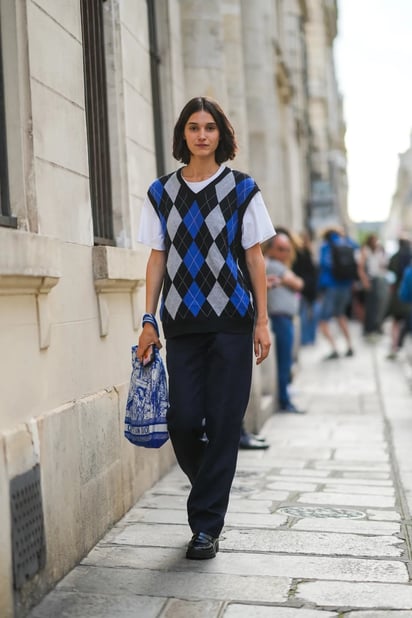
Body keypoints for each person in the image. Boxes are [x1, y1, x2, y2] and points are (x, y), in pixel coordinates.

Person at [136, 96, 275, 560]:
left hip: (233, 321)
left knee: (222, 422)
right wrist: (148, 320)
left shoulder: (243, 189)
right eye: (193, 127)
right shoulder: (161, 193)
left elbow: (255, 258)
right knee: (181, 420)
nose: (201, 135)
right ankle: (211, 491)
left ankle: (205, 528)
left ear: (221, 135)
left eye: (209, 127)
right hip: (181, 324)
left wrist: (262, 319)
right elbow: (157, 259)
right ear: (183, 135)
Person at [264, 233, 305, 413]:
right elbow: (298, 283)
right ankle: (284, 400)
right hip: (280, 318)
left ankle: (285, 396)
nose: (285, 253)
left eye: (287, 250)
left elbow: (298, 282)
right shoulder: (271, 265)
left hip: (286, 318)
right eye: (281, 249)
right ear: (271, 249)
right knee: (284, 362)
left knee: (286, 360)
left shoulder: (279, 265)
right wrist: (290, 280)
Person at [317, 226, 358, 359]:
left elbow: (323, 264)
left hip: (330, 286)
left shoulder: (325, 246)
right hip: (345, 285)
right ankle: (350, 346)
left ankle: (334, 348)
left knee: (323, 320)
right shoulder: (348, 243)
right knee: (341, 315)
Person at [357, 234, 389, 338]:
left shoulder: (378, 251)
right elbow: (361, 268)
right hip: (370, 280)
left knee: (378, 305)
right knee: (370, 306)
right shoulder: (365, 251)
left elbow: (382, 265)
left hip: (378, 279)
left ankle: (376, 326)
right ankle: (368, 329)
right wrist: (365, 281)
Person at [386, 235, 412, 359]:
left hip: (399, 293)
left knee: (396, 321)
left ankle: (395, 346)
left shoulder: (394, 257)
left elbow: (390, 277)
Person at [293, 231, 320, 345]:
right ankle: (308, 339)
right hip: (309, 288)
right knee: (309, 315)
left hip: (303, 288)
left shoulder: (299, 254)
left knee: (304, 314)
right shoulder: (308, 254)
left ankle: (306, 339)